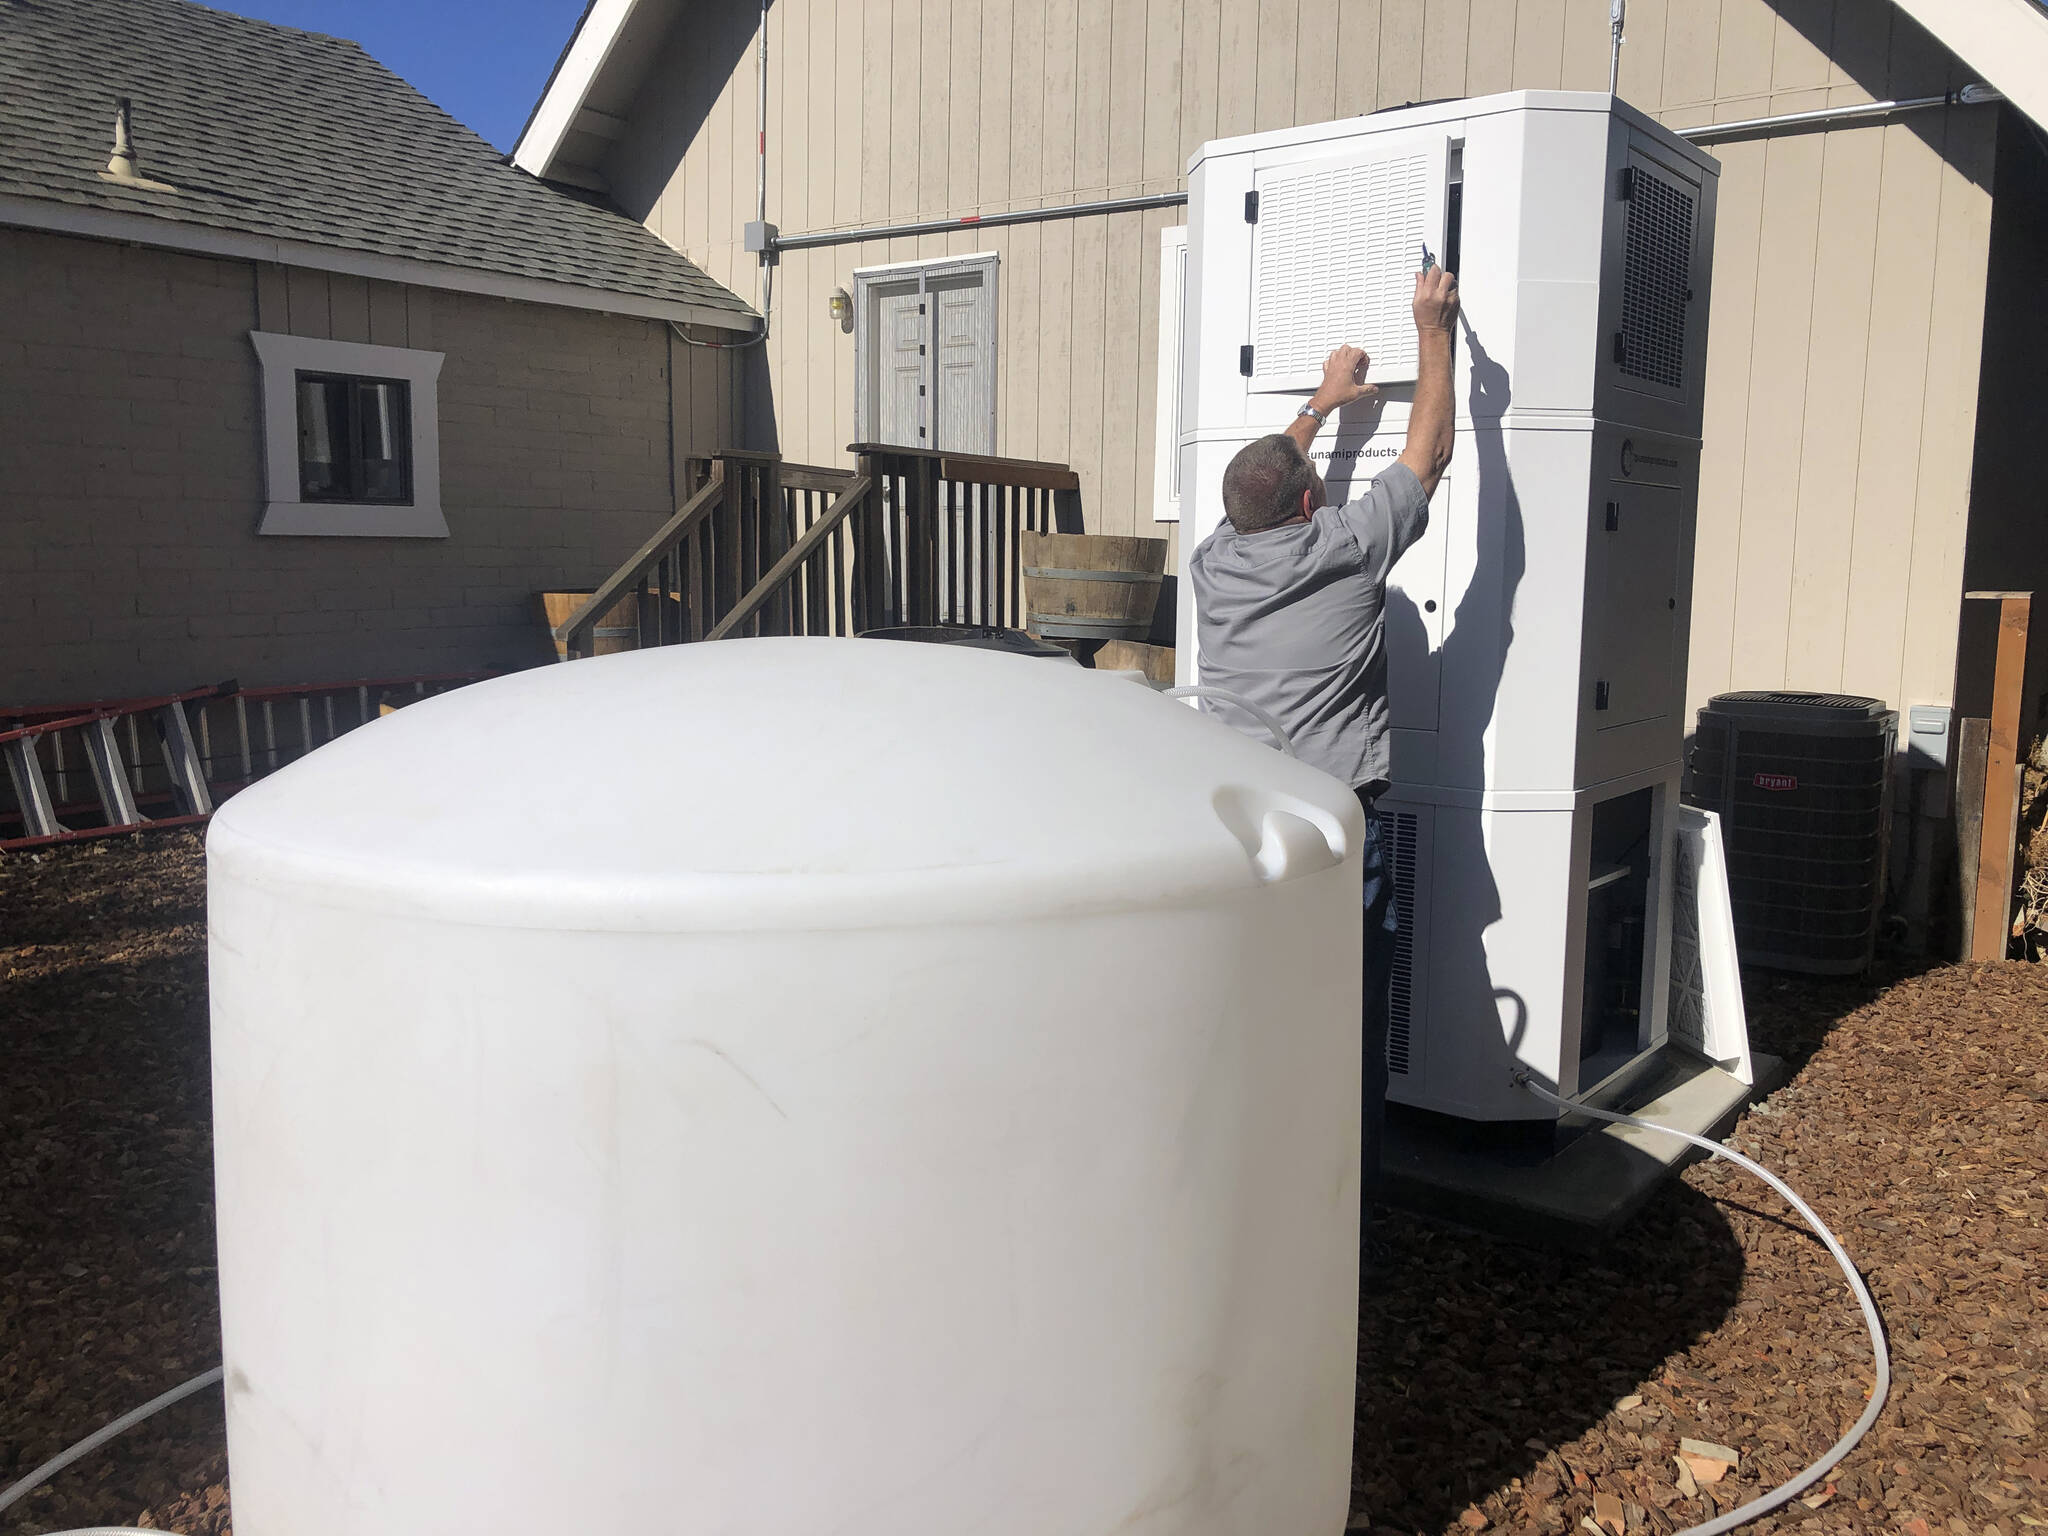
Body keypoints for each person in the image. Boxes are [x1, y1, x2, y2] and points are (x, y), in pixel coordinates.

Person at [1187, 264, 1460, 1226]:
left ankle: (1257, 1197)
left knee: (1263, 1013)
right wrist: (1434, 329)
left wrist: (1316, 408)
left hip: (1242, 832)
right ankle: (1348, 1222)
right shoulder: (1346, 550)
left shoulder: (1212, 564)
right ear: (1309, 505)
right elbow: (1425, 455)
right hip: (1341, 829)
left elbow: (1261, 487)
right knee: (1349, 1024)